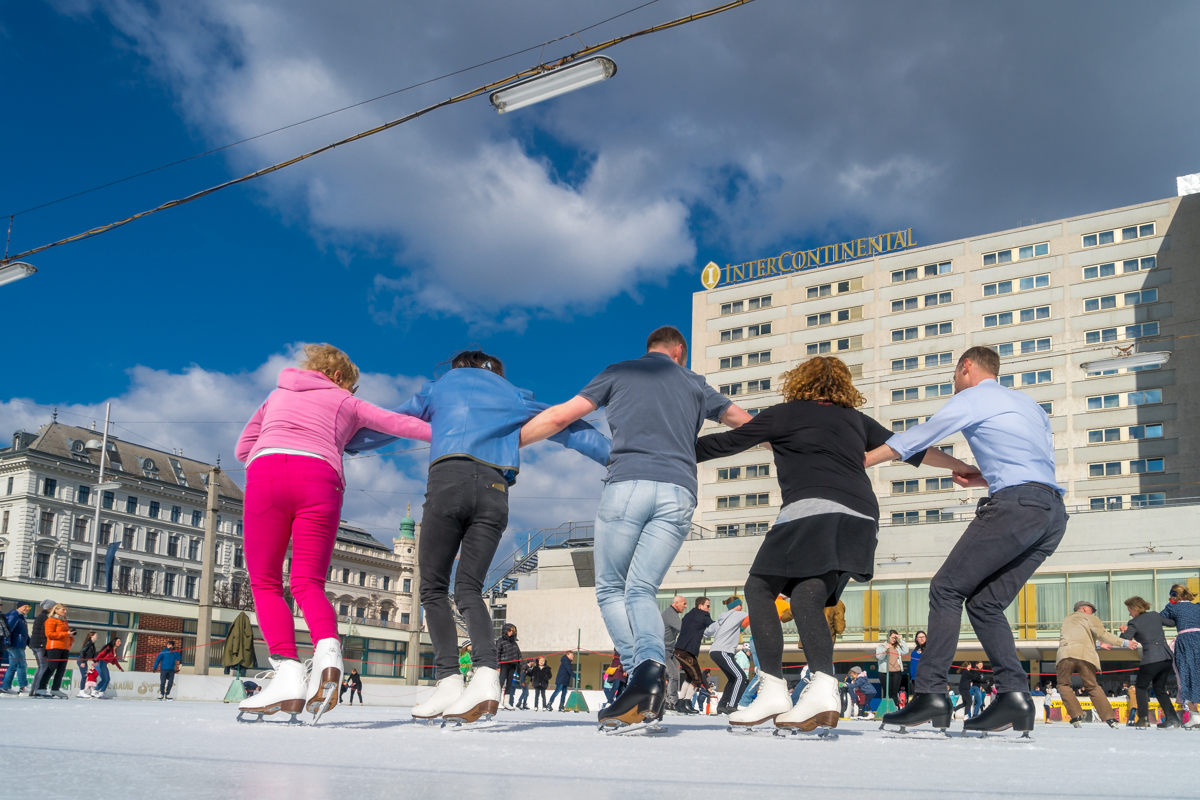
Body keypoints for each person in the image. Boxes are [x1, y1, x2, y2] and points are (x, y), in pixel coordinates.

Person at [696, 357, 959, 732]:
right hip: (861, 518)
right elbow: (911, 447)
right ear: (843, 386)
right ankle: (822, 688)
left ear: (799, 381)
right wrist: (963, 468)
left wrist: (666, 452)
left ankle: (773, 689)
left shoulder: (785, 413)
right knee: (807, 597)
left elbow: (726, 442)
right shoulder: (855, 420)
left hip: (811, 511)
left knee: (759, 587)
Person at [349, 350, 609, 725]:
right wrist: (614, 457)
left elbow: (391, 421)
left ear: (457, 367)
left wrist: (351, 442)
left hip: (448, 482)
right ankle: (487, 677)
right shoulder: (514, 394)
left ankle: (448, 681)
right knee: (469, 588)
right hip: (493, 489)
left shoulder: (439, 388)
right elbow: (564, 423)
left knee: (433, 588)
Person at [520, 326, 751, 727]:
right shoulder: (696, 384)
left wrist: (507, 445)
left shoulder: (619, 371)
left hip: (628, 486)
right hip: (679, 492)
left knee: (612, 588)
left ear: (651, 349)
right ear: (679, 352)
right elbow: (745, 423)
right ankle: (646, 679)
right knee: (642, 589)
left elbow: (560, 416)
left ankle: (643, 675)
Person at [872, 347, 1068, 736]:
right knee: (985, 604)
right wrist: (984, 477)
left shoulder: (974, 397)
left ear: (966, 367)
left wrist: (858, 460)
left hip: (1015, 505)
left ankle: (930, 692)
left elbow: (915, 439)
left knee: (946, 589)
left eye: (954, 375)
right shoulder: (1030, 405)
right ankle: (1014, 695)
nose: (953, 382)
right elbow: (1034, 462)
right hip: (1051, 513)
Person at [235, 343, 432, 723]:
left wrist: (278, 446)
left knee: (265, 581)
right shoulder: (344, 400)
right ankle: (328, 653)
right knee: (307, 582)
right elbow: (400, 424)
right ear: (339, 376)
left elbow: (243, 449)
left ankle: (287, 672)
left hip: (266, 474)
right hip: (319, 479)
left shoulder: (276, 396)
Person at [1057, 600, 1133, 728]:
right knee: (1092, 686)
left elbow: (1075, 639)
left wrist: (1097, 645)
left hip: (1065, 654)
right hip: (1085, 655)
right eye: (1091, 610)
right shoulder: (1090, 618)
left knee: (1063, 684)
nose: (1092, 613)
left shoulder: (1067, 620)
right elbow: (1102, 634)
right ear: (1085, 609)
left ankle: (1075, 715)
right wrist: (1124, 642)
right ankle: (1109, 718)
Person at [1161, 582, 1200, 728]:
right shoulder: (1197, 607)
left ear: (1175, 596)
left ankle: (1195, 716)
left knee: (1186, 676)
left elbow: (1161, 618)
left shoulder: (1173, 607)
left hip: (1185, 642)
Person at [709, 596, 750, 713]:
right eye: (740, 605)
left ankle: (722, 706)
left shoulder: (721, 619)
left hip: (715, 651)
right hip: (723, 651)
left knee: (733, 678)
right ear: (736, 606)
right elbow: (751, 616)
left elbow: (708, 631)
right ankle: (732, 705)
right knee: (741, 676)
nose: (742, 607)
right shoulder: (738, 614)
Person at [674, 596, 719, 706]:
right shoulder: (703, 615)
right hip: (687, 651)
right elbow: (714, 626)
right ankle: (687, 702)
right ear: (700, 606)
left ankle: (681, 703)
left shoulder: (689, 614)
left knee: (690, 678)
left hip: (679, 649)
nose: (709, 608)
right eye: (707, 606)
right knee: (697, 679)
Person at [41, 603, 74, 698]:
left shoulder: (64, 621)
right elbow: (49, 634)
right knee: (51, 667)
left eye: (66, 610)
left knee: (61, 669)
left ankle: (55, 689)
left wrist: (71, 638)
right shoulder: (51, 620)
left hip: (65, 647)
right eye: (63, 610)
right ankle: (41, 687)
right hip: (54, 647)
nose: (65, 611)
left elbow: (65, 633)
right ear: (56, 610)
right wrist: (66, 634)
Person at [662, 595, 686, 712]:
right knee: (674, 675)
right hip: (664, 649)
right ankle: (672, 702)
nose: (685, 606)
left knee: (670, 676)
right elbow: (684, 629)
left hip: (670, 650)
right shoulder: (670, 613)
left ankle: (667, 701)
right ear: (676, 603)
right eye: (684, 604)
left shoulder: (672, 613)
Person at [2, 602, 32, 695]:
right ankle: (23, 686)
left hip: (19, 644)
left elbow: (24, 633)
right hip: (15, 644)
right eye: (25, 607)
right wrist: (7, 642)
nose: (27, 609)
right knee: (21, 665)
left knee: (13, 666)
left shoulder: (21, 617)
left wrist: (29, 642)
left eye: (29, 607)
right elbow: (8, 629)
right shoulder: (14, 615)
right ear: (19, 607)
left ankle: (5, 687)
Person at [29, 599, 55, 698]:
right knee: (44, 666)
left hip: (35, 644)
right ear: (50, 608)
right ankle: (37, 689)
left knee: (41, 666)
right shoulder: (45, 618)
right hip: (40, 645)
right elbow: (43, 634)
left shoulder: (40, 616)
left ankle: (34, 689)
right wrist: (45, 646)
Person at [876, 630, 910, 705]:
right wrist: (885, 649)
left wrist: (901, 639)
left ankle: (894, 708)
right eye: (892, 637)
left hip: (896, 671)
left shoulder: (898, 647)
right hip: (884, 672)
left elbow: (906, 651)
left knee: (894, 692)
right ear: (888, 636)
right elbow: (879, 657)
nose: (894, 639)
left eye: (895, 638)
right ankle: (886, 708)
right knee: (887, 692)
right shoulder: (881, 646)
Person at [495, 624, 521, 710]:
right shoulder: (500, 641)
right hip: (503, 664)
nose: (511, 632)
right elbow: (497, 654)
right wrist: (497, 666)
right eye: (509, 630)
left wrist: (524, 667)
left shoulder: (514, 644)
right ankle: (497, 701)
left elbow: (519, 656)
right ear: (505, 630)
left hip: (512, 665)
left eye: (513, 631)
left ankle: (506, 702)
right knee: (501, 682)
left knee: (509, 684)